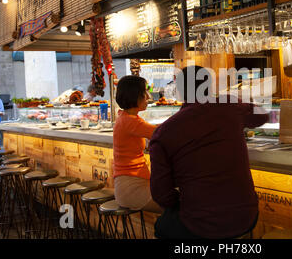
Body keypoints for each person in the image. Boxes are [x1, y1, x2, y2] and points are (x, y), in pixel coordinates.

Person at [149, 65, 269, 239]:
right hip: (246, 216)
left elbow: (161, 195)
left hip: (198, 223)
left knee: (162, 226)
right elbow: (263, 115)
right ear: (210, 87)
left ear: (179, 92)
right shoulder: (229, 105)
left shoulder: (162, 134)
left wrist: (183, 202)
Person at [113, 75, 162, 213]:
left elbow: (153, 130)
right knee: (176, 205)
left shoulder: (126, 117)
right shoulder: (130, 121)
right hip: (131, 187)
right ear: (135, 95)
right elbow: (161, 132)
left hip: (133, 182)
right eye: (145, 92)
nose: (148, 96)